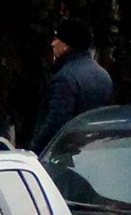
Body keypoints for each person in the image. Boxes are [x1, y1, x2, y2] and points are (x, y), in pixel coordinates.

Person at [28, 18, 114, 152]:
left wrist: (35, 151)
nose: (53, 43)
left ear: (67, 44)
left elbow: (55, 124)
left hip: (68, 155)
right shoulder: (103, 75)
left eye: (57, 39)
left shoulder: (65, 79)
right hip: (95, 150)